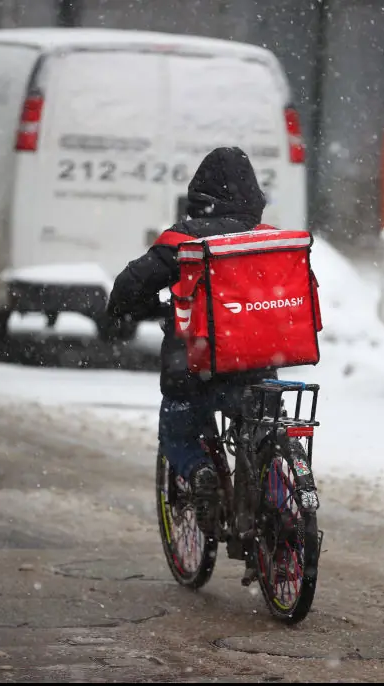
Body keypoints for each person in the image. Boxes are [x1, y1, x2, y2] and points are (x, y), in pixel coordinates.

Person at [105, 146, 278, 551]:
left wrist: (120, 312)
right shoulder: (268, 241)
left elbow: (131, 285)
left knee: (178, 429)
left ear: (200, 196)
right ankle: (277, 500)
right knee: (262, 432)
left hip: (196, 368)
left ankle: (198, 470)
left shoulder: (184, 240)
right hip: (259, 364)